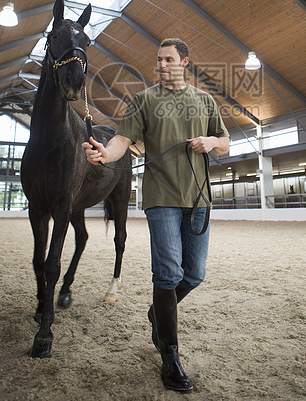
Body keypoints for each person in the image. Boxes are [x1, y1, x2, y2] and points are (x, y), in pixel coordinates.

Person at [83, 38, 229, 393]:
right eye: (158, 60)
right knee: (167, 272)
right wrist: (105, 154)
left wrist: (210, 143)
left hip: (198, 198)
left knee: (194, 274)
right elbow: (122, 140)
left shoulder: (205, 100)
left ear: (185, 61)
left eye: (168, 59)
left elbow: (225, 141)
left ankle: (157, 313)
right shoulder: (144, 100)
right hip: (161, 197)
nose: (162, 64)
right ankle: (170, 353)